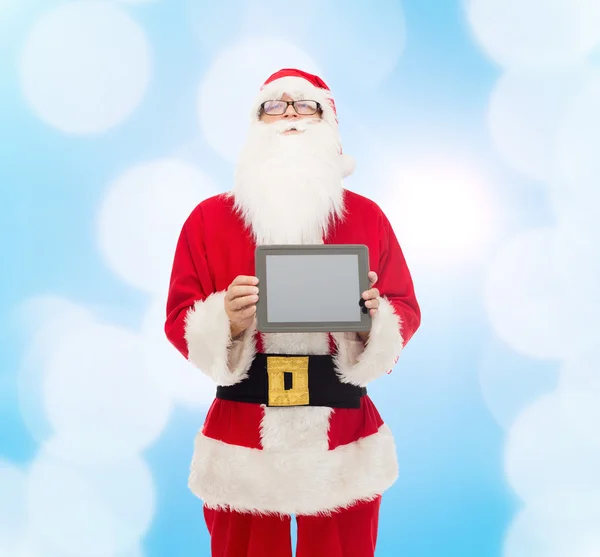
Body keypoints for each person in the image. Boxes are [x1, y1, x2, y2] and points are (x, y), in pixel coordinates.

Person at [165, 68, 421, 557]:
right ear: (254, 123)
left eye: (305, 105)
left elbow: (405, 306)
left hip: (342, 429)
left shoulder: (367, 217)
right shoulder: (208, 219)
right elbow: (179, 314)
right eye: (274, 106)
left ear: (329, 122)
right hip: (242, 427)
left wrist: (374, 319)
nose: (289, 116)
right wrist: (226, 321)